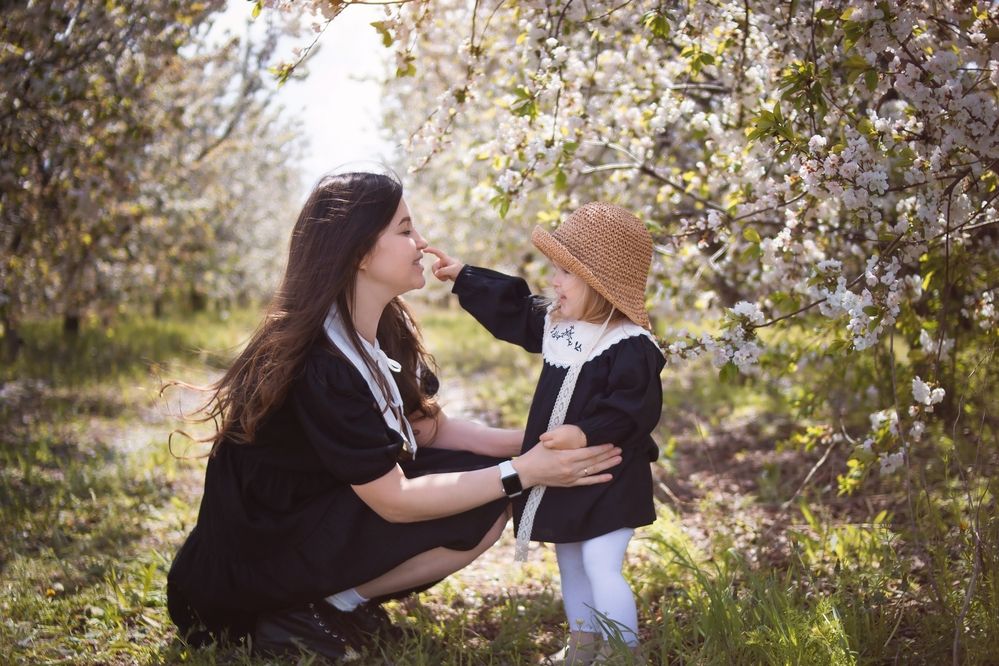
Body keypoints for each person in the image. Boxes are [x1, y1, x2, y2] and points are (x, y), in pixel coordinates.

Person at [165, 172, 624, 661]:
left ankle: (336, 602)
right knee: (494, 492)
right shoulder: (320, 363)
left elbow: (433, 431)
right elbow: (395, 501)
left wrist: (544, 445)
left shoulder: (381, 326)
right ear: (361, 252)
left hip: (312, 521)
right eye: (405, 230)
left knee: (489, 484)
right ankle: (309, 610)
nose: (421, 243)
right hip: (244, 574)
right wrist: (525, 470)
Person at [427, 201, 665, 664]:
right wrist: (465, 278)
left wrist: (584, 432)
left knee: (600, 563)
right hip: (565, 476)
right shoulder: (560, 326)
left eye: (565, 273)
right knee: (571, 560)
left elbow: (634, 409)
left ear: (599, 282)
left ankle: (622, 652)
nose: (554, 281)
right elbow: (514, 310)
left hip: (608, 477)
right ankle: (583, 644)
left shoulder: (629, 344)